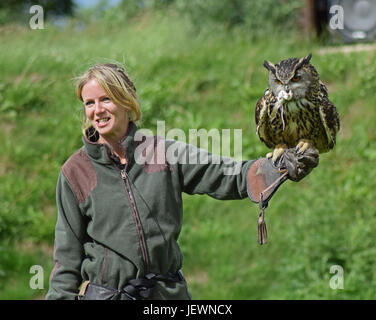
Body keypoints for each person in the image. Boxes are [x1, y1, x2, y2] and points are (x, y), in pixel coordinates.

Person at [45, 63, 319, 300]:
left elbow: (226, 173)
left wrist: (276, 167)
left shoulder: (163, 153)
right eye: (89, 103)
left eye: (105, 99)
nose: (97, 110)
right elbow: (66, 260)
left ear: (127, 102)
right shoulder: (75, 172)